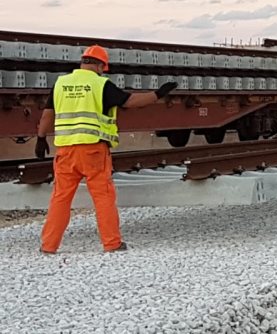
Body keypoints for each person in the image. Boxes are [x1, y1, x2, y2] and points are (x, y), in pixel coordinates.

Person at [35, 44, 179, 254]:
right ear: (100, 65)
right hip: (93, 150)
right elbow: (130, 101)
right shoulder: (100, 84)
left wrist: (40, 138)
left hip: (65, 151)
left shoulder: (61, 83)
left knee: (60, 198)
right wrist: (158, 94)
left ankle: (49, 246)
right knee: (103, 196)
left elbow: (48, 113)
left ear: (83, 62)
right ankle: (112, 243)